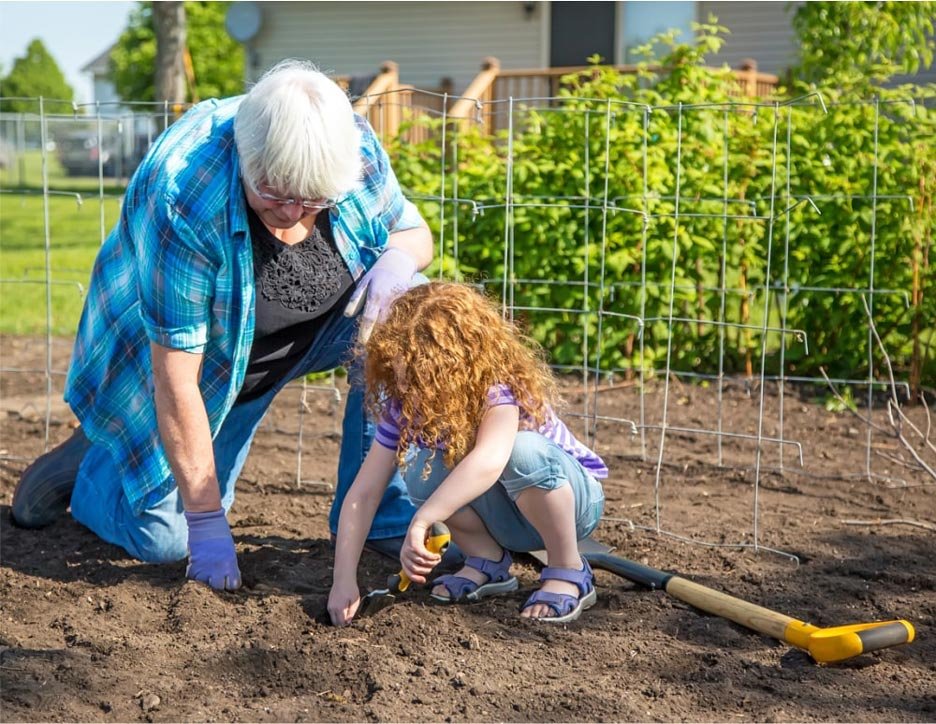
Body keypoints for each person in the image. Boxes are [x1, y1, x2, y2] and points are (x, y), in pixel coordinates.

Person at [11, 59, 443, 590]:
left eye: (314, 202)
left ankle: (376, 512)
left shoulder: (347, 144)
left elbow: (414, 233)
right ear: (246, 158)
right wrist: (208, 524)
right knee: (165, 541)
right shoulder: (185, 194)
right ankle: (94, 469)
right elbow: (176, 377)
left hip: (319, 329)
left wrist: (398, 262)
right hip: (213, 364)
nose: (292, 215)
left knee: (412, 308)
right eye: (275, 195)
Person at [328, 282, 608, 625]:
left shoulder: (497, 391)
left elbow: (489, 461)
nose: (404, 386)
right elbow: (364, 492)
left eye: (418, 375)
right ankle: (486, 561)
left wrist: (423, 518)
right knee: (421, 467)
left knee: (522, 450)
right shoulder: (406, 404)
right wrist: (342, 581)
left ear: (456, 365)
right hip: (507, 517)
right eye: (398, 373)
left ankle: (567, 567)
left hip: (572, 505)